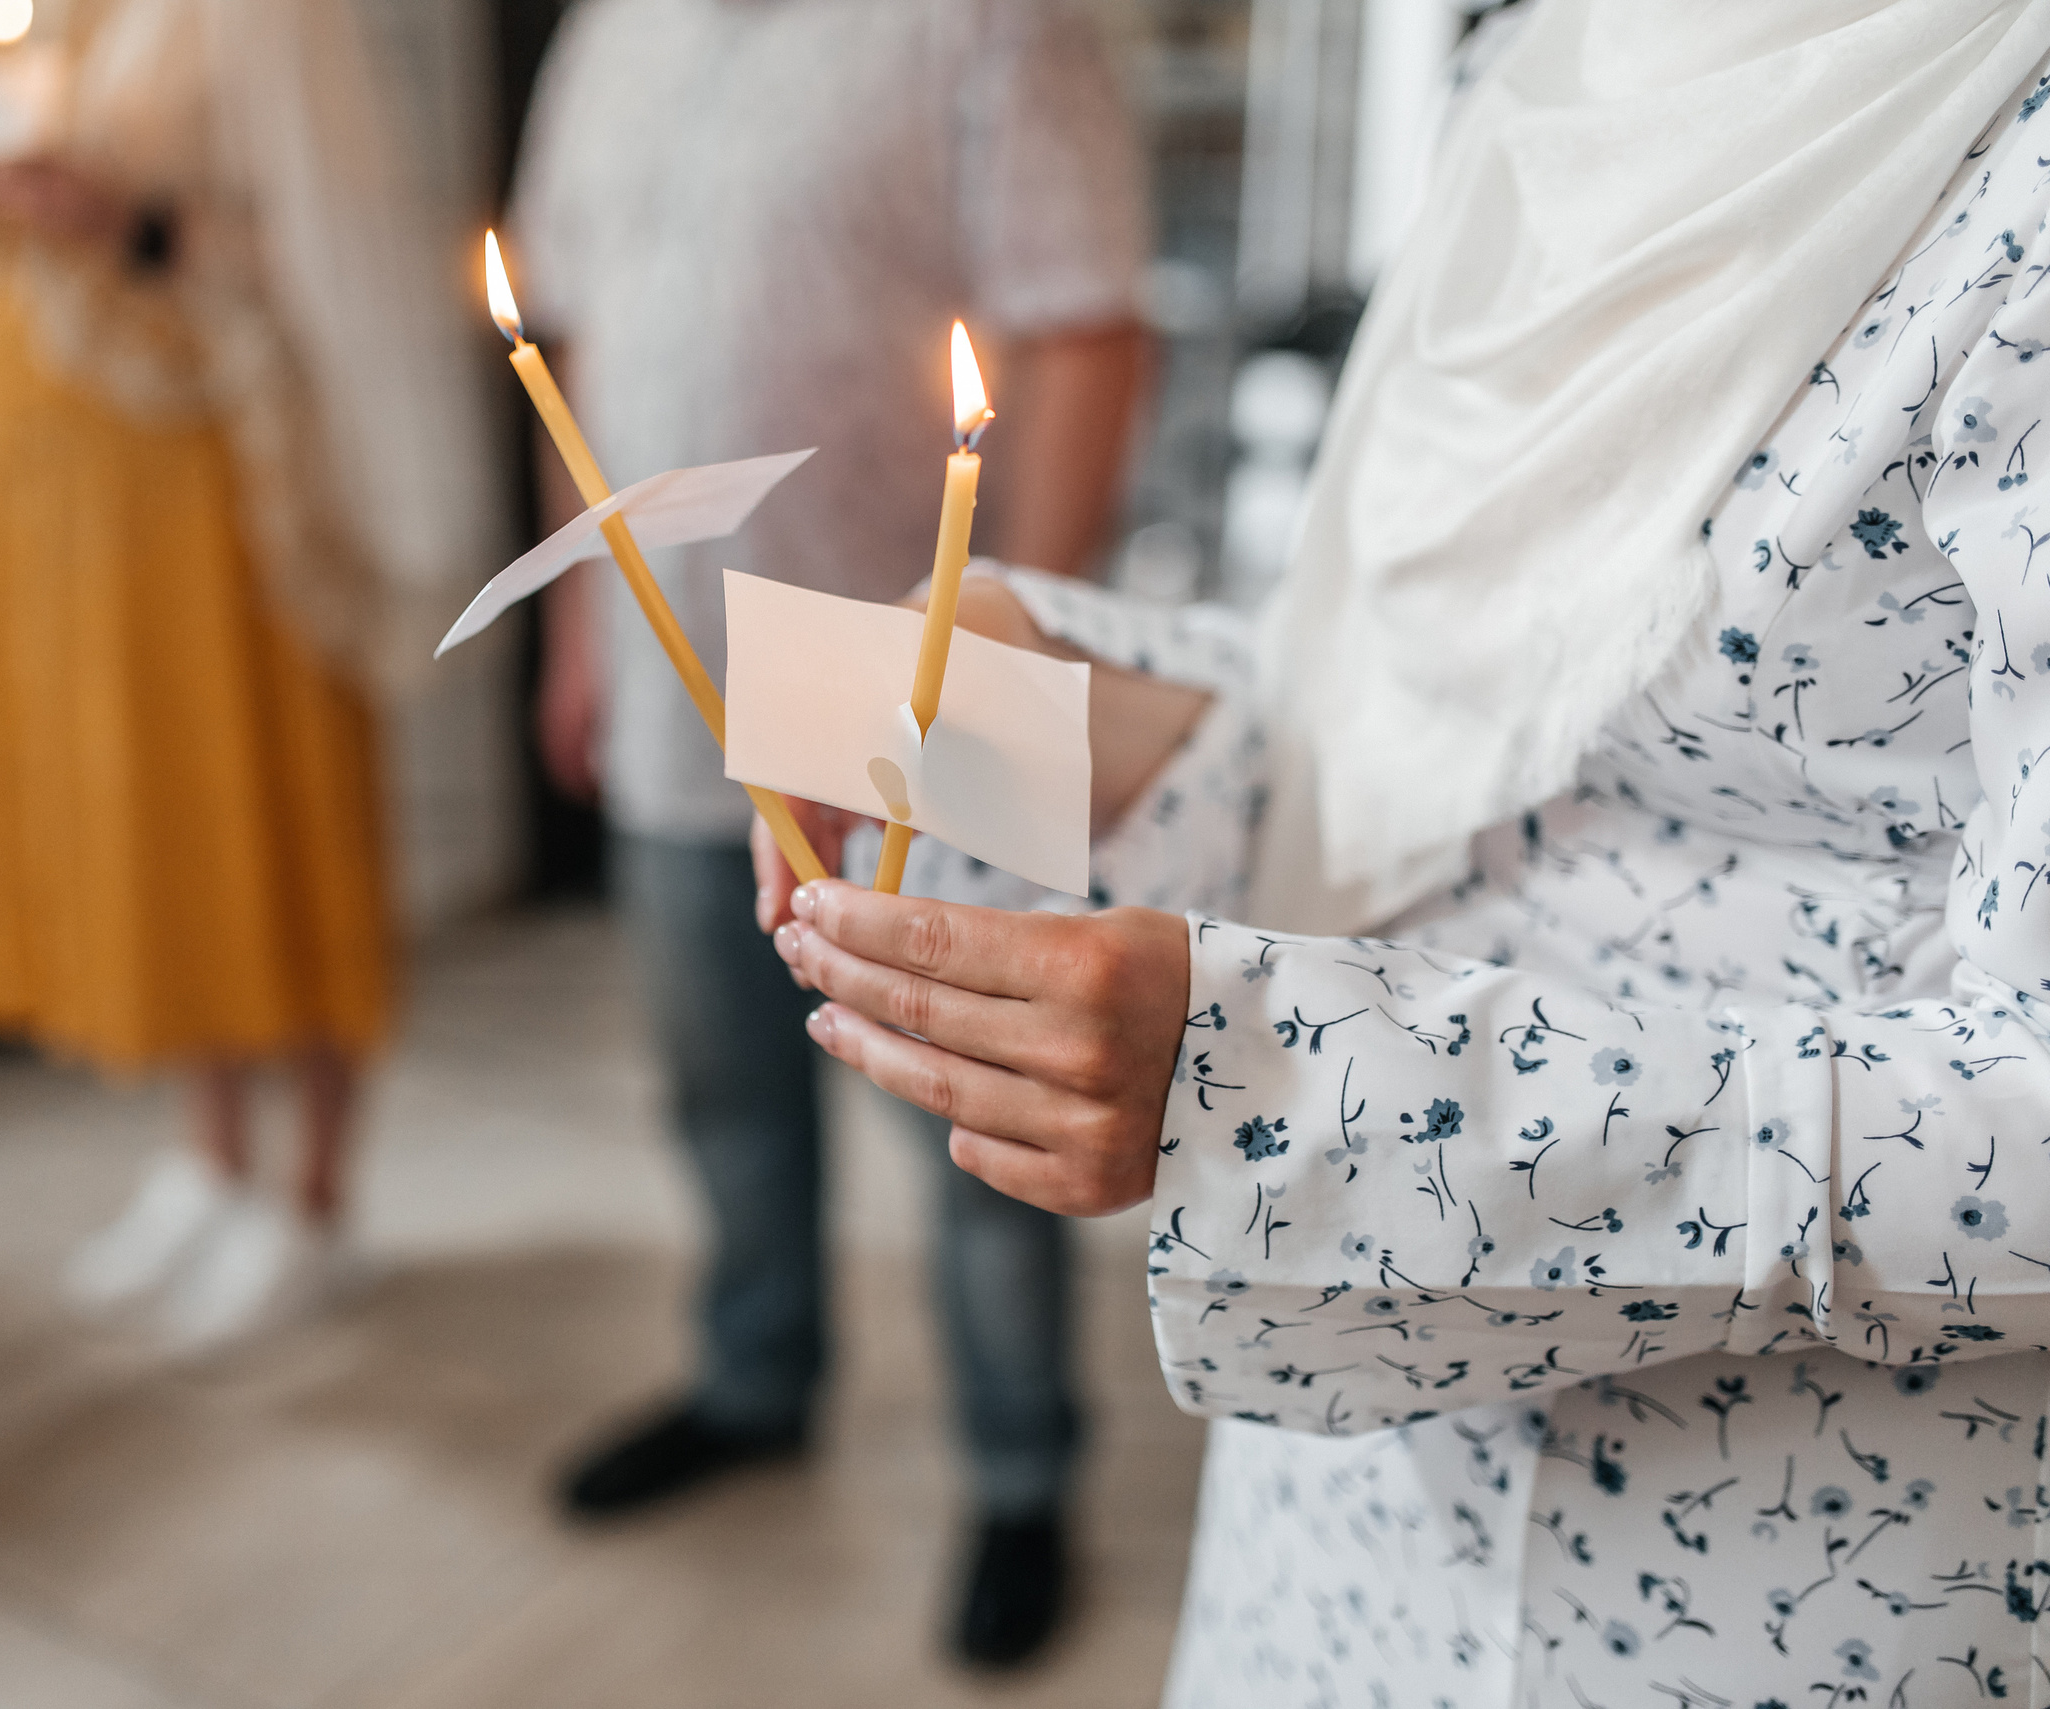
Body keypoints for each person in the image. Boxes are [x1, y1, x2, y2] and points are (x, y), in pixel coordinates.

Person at [755, 1, 2050, 1701]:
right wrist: (1059, 716)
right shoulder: (1538, 68)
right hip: (1344, 1495)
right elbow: (1429, 729)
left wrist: (1308, 1087)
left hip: (1797, 1560)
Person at [509, 0, 1147, 1668]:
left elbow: (1085, 328)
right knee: (723, 1076)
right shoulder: (611, 35)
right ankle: (755, 1374)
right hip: (675, 686)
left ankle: (1020, 1470)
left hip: (911, 689)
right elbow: (573, 342)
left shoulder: (990, 24)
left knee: (970, 1117)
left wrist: (1010, 644)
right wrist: (575, 632)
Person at [0, 0, 486, 1352]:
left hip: (220, 503)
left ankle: (315, 1195)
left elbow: (347, 243)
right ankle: (213, 1158)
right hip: (60, 512)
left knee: (265, 817)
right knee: (147, 833)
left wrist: (134, 225)